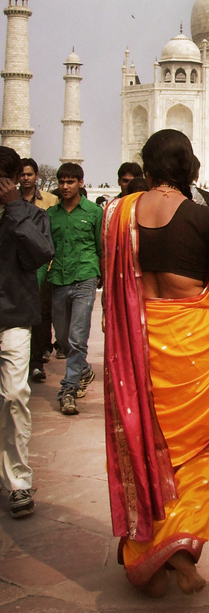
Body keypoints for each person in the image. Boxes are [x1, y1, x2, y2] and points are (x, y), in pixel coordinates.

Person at [102, 129, 209, 598]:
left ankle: (146, 543)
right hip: (190, 351)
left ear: (148, 167)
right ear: (190, 169)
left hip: (137, 346)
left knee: (143, 443)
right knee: (194, 451)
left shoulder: (118, 214)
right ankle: (178, 545)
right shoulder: (198, 218)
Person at [0, 147, 55, 518]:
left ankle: (19, 481)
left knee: (15, 395)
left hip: (14, 316)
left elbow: (40, 254)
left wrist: (15, 210)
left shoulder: (32, 216)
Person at [47, 163, 103, 416]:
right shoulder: (51, 215)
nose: (65, 186)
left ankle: (68, 391)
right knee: (62, 338)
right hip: (58, 278)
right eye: (62, 182)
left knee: (77, 337)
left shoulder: (93, 212)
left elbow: (100, 246)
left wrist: (102, 274)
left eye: (70, 182)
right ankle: (82, 371)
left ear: (81, 183)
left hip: (85, 277)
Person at [19, 158, 58, 383]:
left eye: (29, 174)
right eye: (22, 174)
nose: (25, 178)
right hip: (18, 267)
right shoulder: (10, 201)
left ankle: (36, 360)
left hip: (44, 265)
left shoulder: (50, 201)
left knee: (40, 314)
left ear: (36, 176)